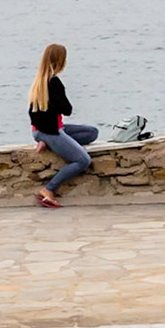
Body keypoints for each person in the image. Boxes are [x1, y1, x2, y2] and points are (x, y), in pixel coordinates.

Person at [27, 43, 98, 209]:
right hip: (50, 131)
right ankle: (48, 189)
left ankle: (49, 144)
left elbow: (33, 113)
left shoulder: (38, 82)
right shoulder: (54, 83)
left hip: (43, 130)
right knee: (83, 160)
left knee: (92, 133)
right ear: (61, 61)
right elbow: (67, 110)